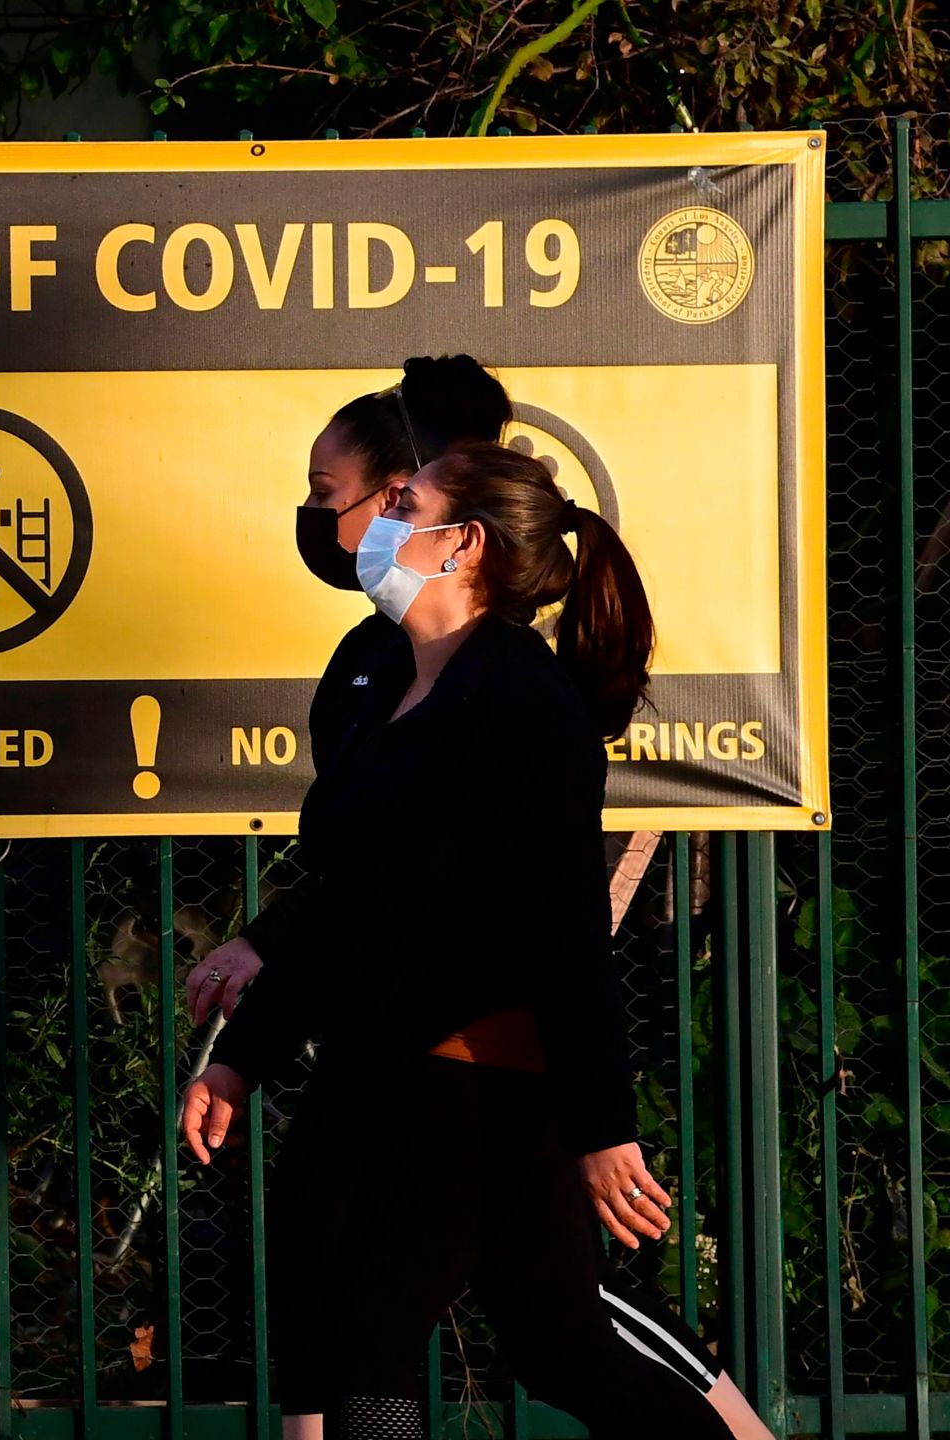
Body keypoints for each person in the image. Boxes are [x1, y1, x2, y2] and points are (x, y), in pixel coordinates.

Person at [176, 437, 772, 1438]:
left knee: (365, 1346)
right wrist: (239, 1059)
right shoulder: (388, 686)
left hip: (471, 1078)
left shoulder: (522, 704)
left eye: (404, 501)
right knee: (556, 1343)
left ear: (462, 545)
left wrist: (599, 1124)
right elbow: (348, 903)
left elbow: (565, 930)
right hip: (387, 1066)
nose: (375, 521)